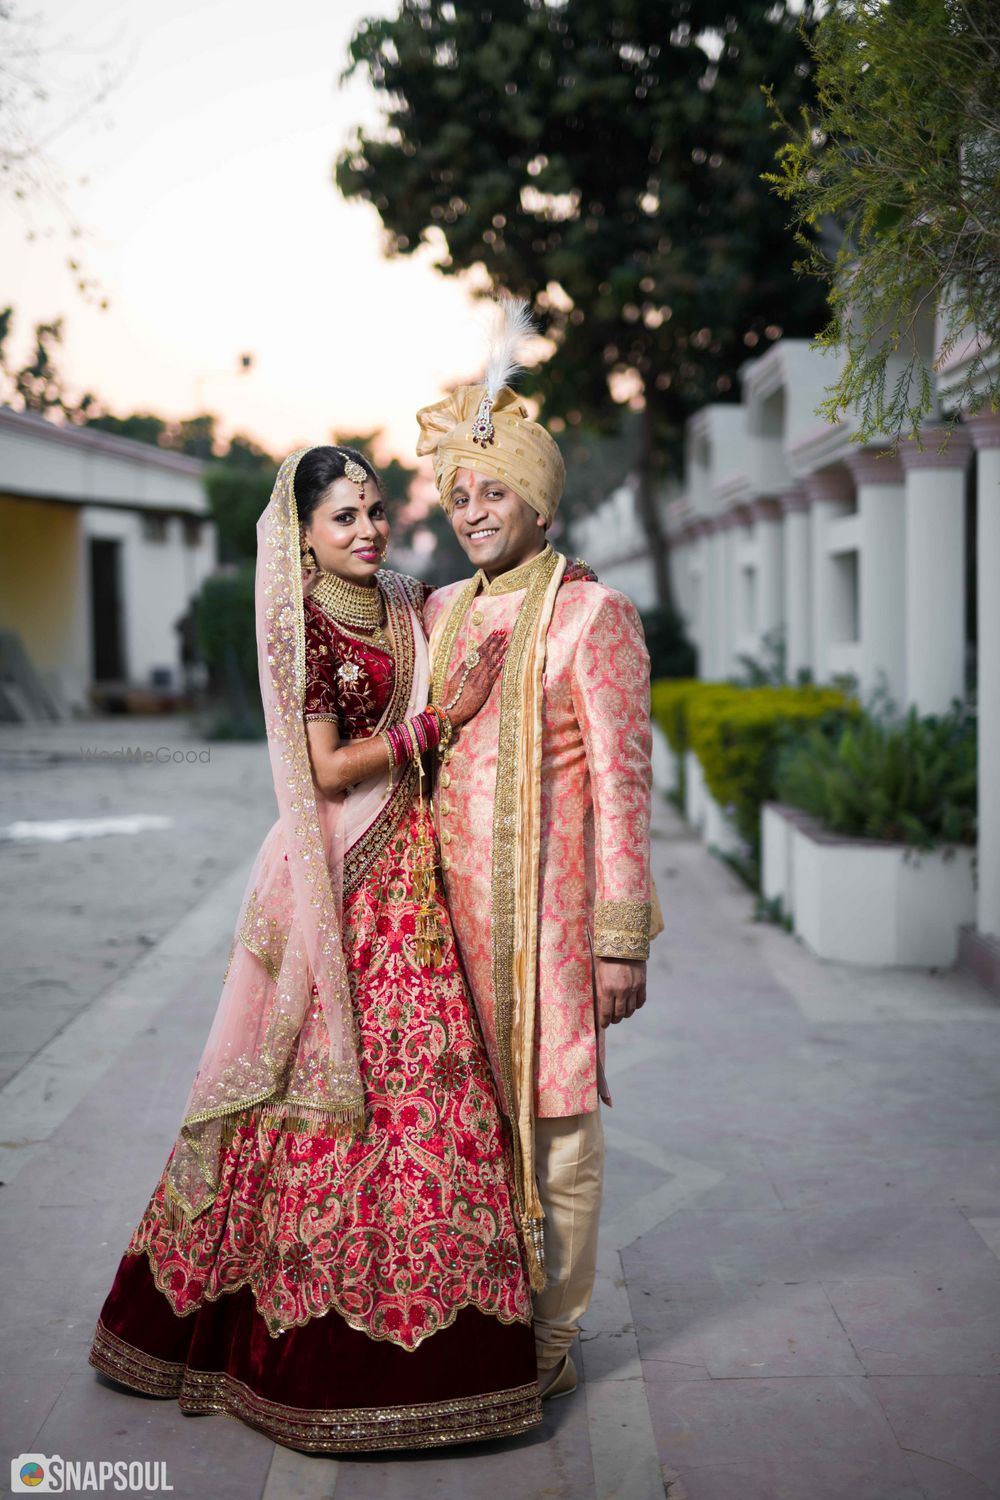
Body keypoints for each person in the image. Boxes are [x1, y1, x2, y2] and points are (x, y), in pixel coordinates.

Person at [87, 444, 545, 1452]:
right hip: (341, 877)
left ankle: (465, 1349)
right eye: (342, 518)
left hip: (417, 867)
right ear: (300, 532)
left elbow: (482, 607)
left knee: (434, 1085)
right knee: (324, 1092)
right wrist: (437, 722)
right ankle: (286, 1346)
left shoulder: (401, 596)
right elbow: (329, 768)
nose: (366, 531)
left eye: (374, 511)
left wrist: (554, 576)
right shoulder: (302, 622)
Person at [417, 299, 658, 1401]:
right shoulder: (443, 619)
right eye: (458, 496)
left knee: (557, 1126)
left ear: (538, 500)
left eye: (492, 491)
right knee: (470, 1127)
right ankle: (481, 1310)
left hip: (552, 927)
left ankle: (553, 1327)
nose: (472, 512)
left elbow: (624, 788)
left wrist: (622, 943)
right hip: (448, 924)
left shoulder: (589, 618)